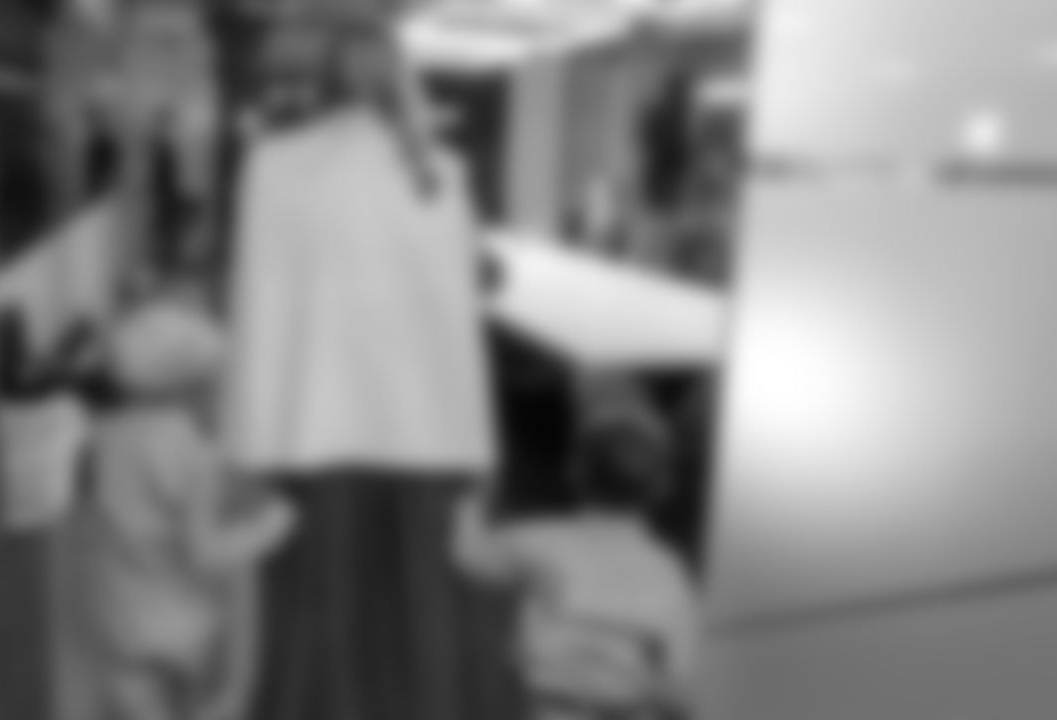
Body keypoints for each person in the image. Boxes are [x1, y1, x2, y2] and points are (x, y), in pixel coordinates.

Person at [224, 5, 515, 720]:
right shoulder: (440, 173)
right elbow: (459, 332)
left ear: (316, 78)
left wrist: (245, 453)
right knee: (423, 649)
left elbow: (258, 314)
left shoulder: (272, 168)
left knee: (314, 648)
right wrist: (481, 459)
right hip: (433, 443)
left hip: (307, 440)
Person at [66, 297, 294, 720]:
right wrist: (272, 526)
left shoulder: (104, 437)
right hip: (175, 639)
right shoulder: (189, 454)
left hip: (114, 630)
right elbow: (206, 553)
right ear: (189, 386)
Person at [452, 393, 701, 720]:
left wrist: (472, 498)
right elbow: (681, 679)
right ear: (662, 487)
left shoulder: (538, 540)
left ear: (576, 472)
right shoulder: (667, 571)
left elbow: (469, 556)